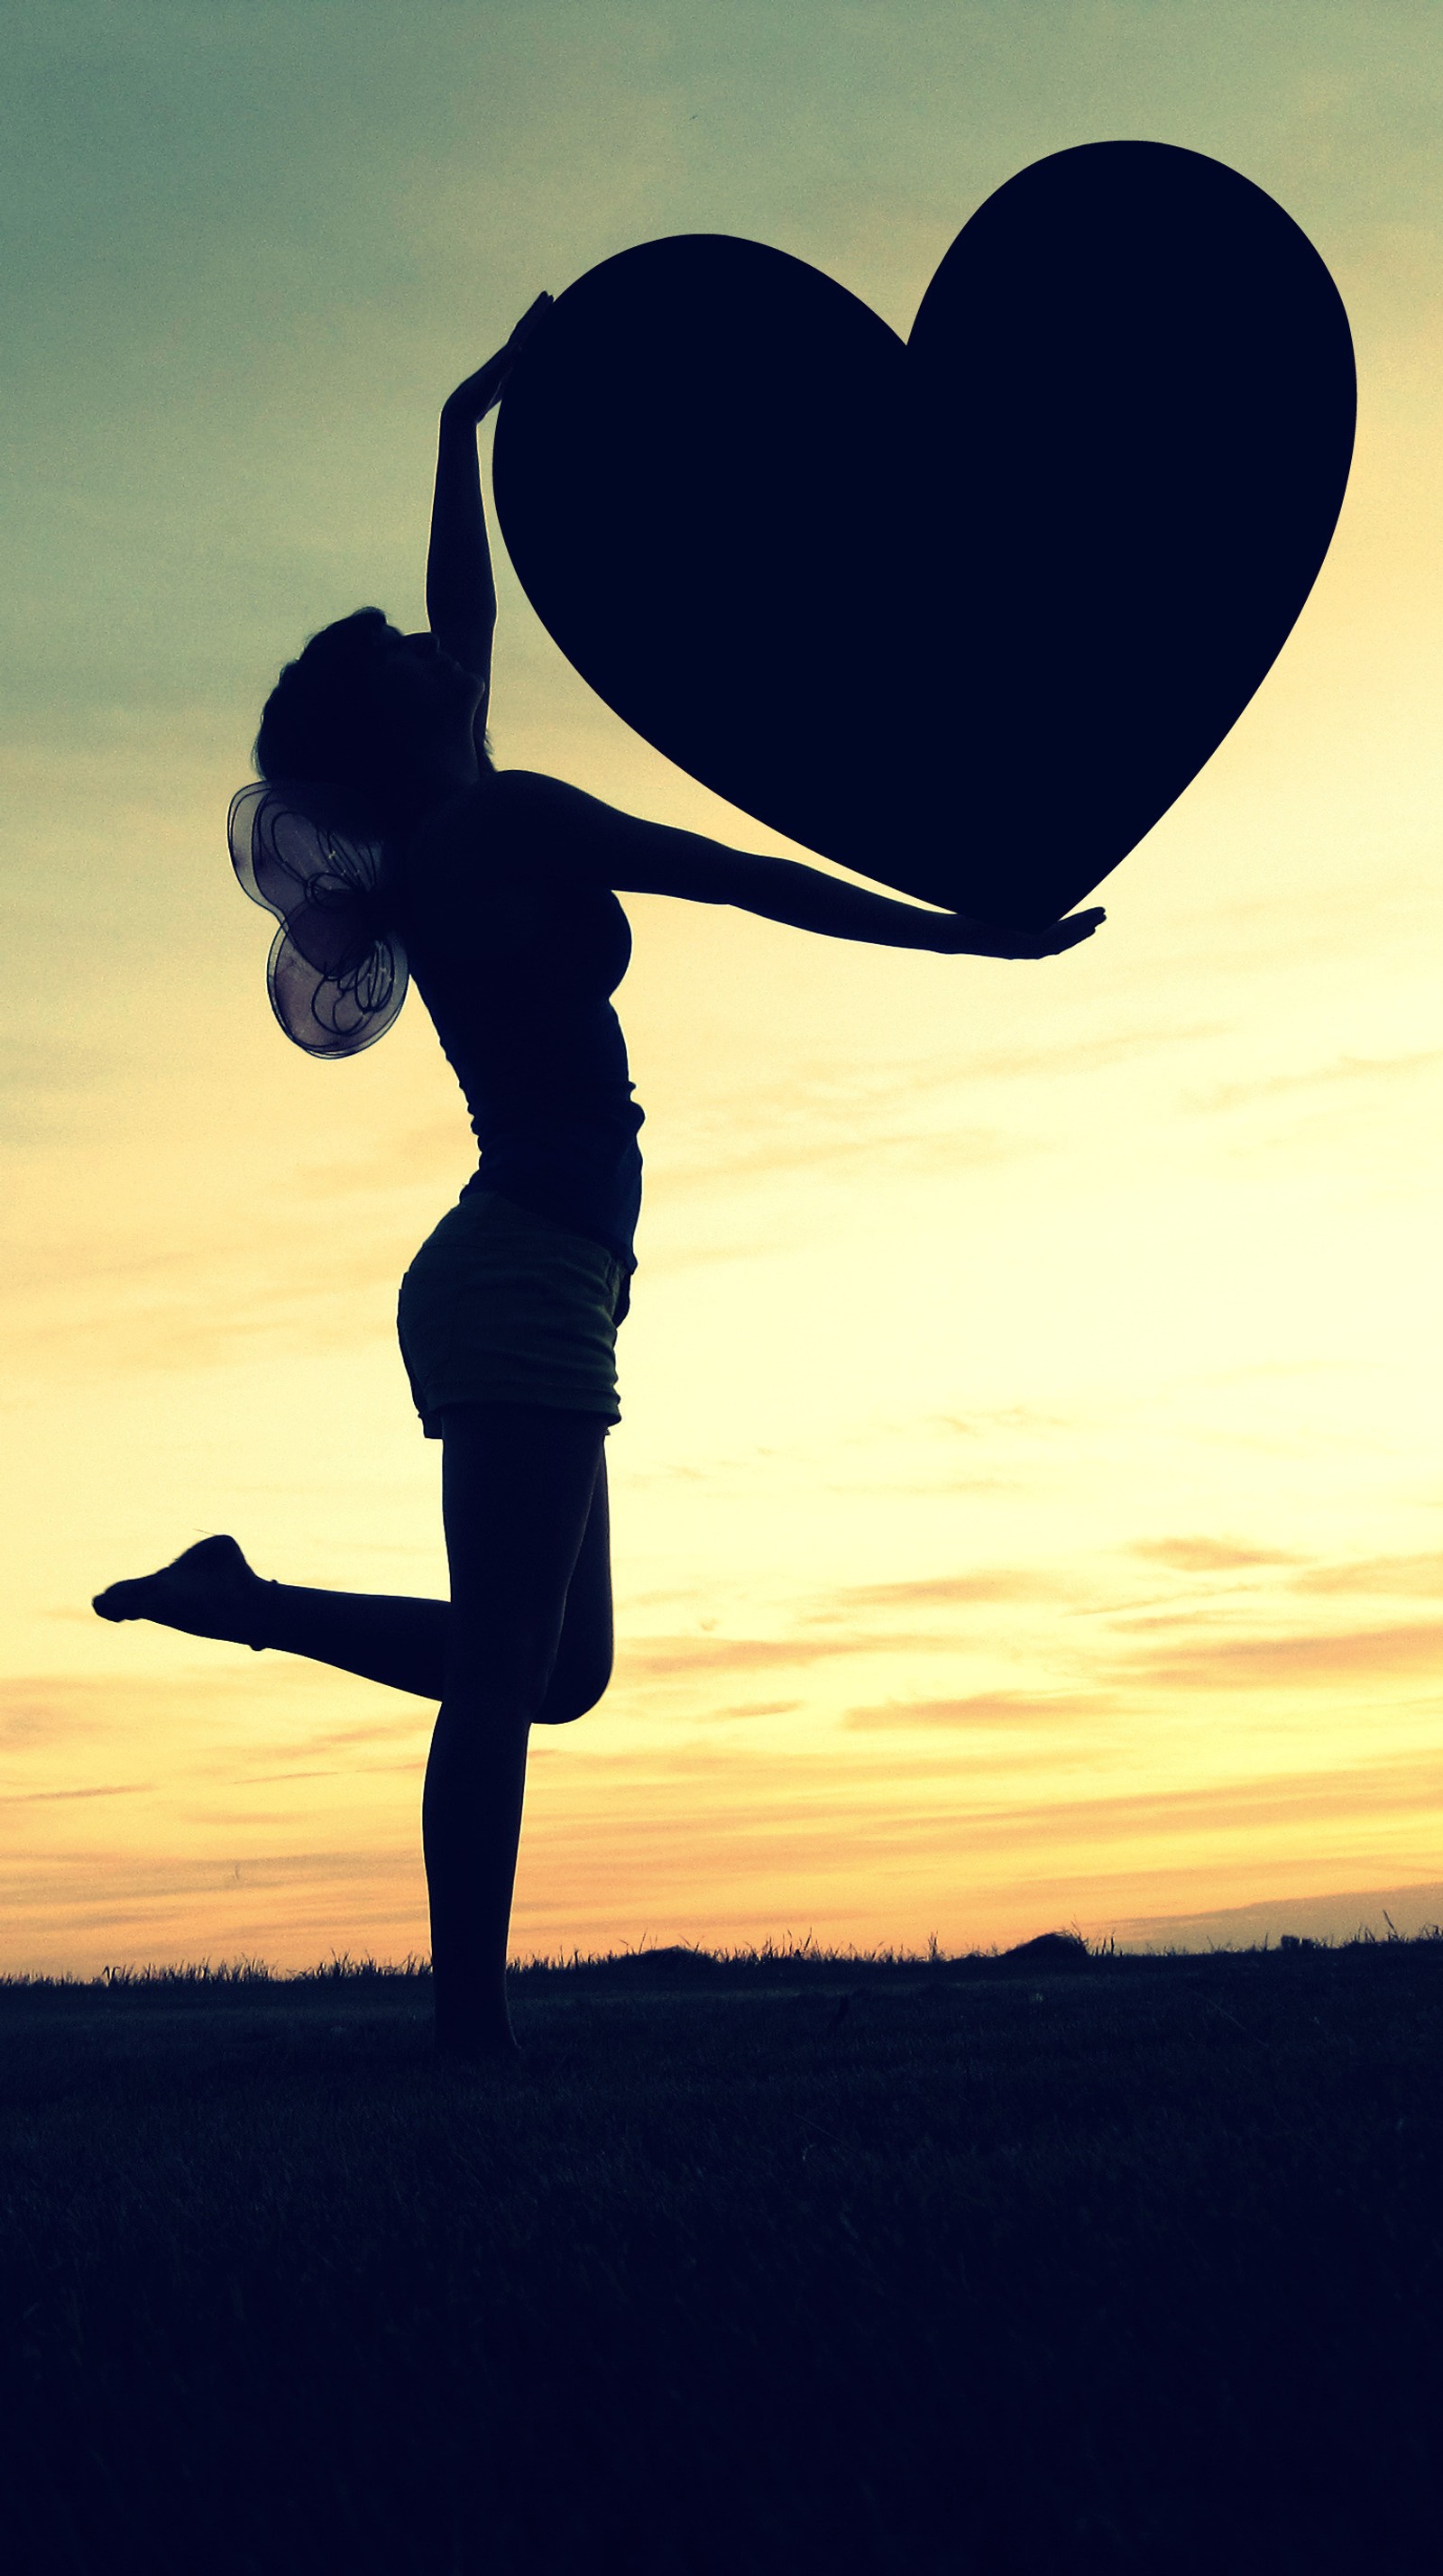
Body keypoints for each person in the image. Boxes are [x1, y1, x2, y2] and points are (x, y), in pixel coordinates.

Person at [94, 298, 1104, 2060]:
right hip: (524, 1263)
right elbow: (737, 876)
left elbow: (462, 616)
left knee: (555, 1667)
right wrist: (969, 935)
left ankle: (237, 1599)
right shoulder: (506, 821)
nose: (440, 645)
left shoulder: (445, 817)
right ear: (391, 727)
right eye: (407, 656)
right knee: (505, 1673)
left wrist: (459, 422)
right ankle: (466, 2039)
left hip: (538, 1265)